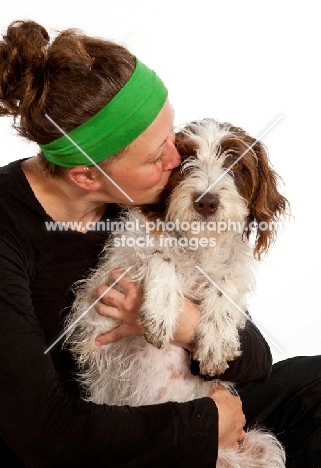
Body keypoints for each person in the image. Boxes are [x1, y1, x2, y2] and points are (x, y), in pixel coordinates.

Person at [0, 20, 319, 468]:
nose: (178, 162)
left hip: (188, 391)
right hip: (101, 429)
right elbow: (42, 433)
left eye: (172, 139)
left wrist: (188, 325)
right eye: (157, 156)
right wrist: (205, 426)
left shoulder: (145, 201)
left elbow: (254, 360)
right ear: (87, 175)